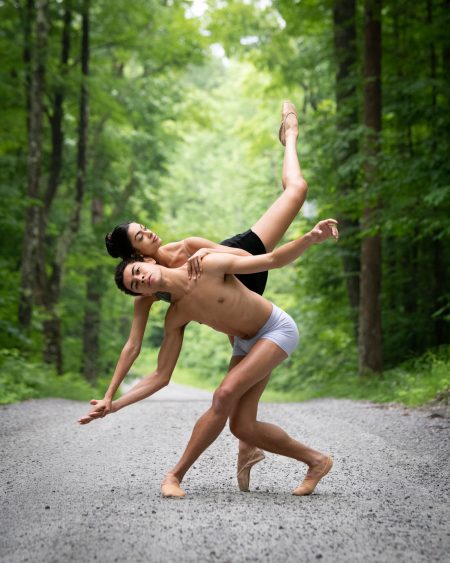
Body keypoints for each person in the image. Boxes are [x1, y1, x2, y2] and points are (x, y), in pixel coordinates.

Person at [100, 101, 307, 490]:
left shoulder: (189, 249)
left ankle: (290, 134)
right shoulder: (146, 289)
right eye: (143, 236)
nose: (152, 234)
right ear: (137, 258)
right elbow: (133, 347)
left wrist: (208, 257)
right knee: (238, 373)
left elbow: (249, 260)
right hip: (223, 302)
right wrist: (110, 396)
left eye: (146, 227)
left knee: (297, 190)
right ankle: (247, 446)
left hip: (239, 263)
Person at [78, 215, 339, 499]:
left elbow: (272, 259)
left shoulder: (207, 264)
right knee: (242, 427)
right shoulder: (176, 316)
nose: (142, 279)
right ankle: (316, 461)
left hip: (275, 329)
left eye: (139, 272)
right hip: (245, 343)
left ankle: (174, 475)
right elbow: (160, 376)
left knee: (223, 394)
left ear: (149, 262)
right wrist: (114, 404)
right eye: (137, 285)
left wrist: (311, 237)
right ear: (146, 294)